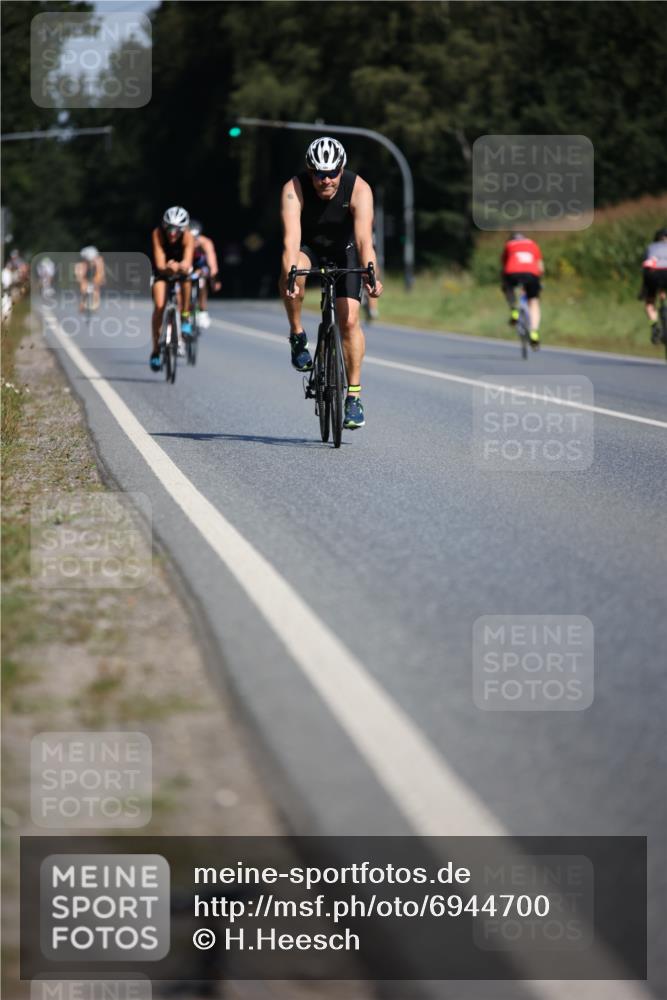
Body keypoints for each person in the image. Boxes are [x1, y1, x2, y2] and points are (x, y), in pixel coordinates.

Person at [279, 136, 383, 430]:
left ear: (342, 169)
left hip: (345, 250)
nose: (325, 180)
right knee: (294, 271)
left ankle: (353, 398)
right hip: (309, 248)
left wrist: (371, 274)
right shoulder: (293, 189)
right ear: (309, 171)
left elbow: (364, 240)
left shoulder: (359, 189)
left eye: (332, 172)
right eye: (318, 173)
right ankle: (297, 335)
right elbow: (291, 241)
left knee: (349, 321)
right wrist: (290, 274)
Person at [150, 206, 194, 371]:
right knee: (159, 306)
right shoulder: (157, 234)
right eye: (169, 229)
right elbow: (160, 265)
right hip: (161, 271)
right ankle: (155, 351)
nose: (172, 234)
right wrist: (170, 267)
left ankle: (185, 315)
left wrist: (179, 266)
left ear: (184, 229)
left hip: (179, 269)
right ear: (164, 226)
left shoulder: (188, 237)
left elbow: (187, 262)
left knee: (187, 279)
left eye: (177, 230)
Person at [501, 232, 544, 346]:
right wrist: (539, 282)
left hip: (512, 273)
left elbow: (504, 265)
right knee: (533, 302)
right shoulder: (533, 244)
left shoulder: (509, 245)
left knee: (507, 288)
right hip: (531, 274)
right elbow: (540, 267)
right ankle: (534, 332)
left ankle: (514, 310)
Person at [189, 220, 221, 329]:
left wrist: (215, 280)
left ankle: (202, 310)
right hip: (187, 266)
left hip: (201, 267)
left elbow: (212, 264)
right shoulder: (182, 242)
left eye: (195, 238)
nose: (193, 242)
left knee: (201, 281)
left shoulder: (206, 243)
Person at [640, 227, 667, 344]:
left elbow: (645, 264)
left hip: (653, 274)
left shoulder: (651, 247)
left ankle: (654, 325)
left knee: (650, 301)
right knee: (663, 292)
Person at [75, 246, 105, 312]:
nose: (91, 261)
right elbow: (79, 273)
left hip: (96, 274)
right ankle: (82, 304)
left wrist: (100, 280)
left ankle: (96, 304)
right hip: (85, 275)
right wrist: (80, 279)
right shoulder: (82, 262)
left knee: (96, 288)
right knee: (83, 288)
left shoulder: (99, 260)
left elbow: (101, 272)